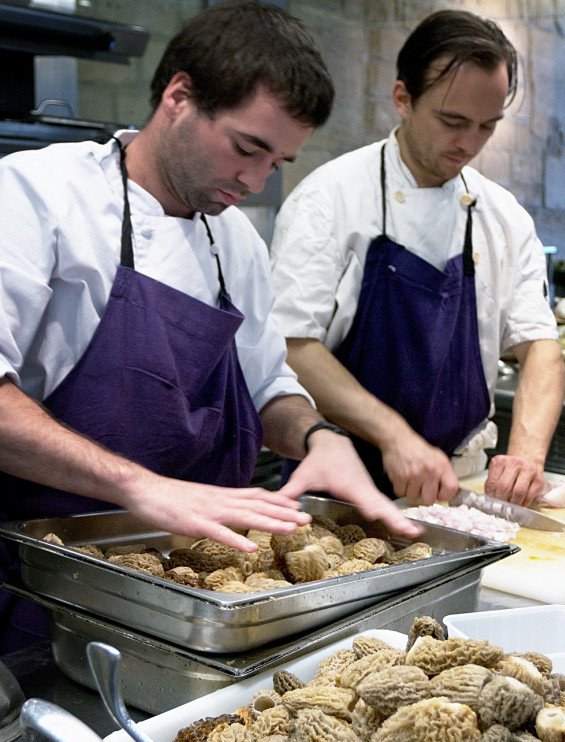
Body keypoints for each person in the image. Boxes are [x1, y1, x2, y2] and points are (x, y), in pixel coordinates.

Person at [0, 1, 419, 653]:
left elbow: (266, 385)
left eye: (275, 163)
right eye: (245, 148)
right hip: (45, 604)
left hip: (207, 600)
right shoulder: (36, 197)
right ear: (179, 97)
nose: (252, 181)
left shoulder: (238, 243)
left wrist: (317, 435)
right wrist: (142, 487)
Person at [270, 8, 565, 508]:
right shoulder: (331, 198)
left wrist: (526, 459)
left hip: (459, 485)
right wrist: (393, 435)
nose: (469, 144)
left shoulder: (503, 216)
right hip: (340, 488)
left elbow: (540, 347)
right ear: (403, 98)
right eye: (452, 122)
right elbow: (292, 346)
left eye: (486, 126)